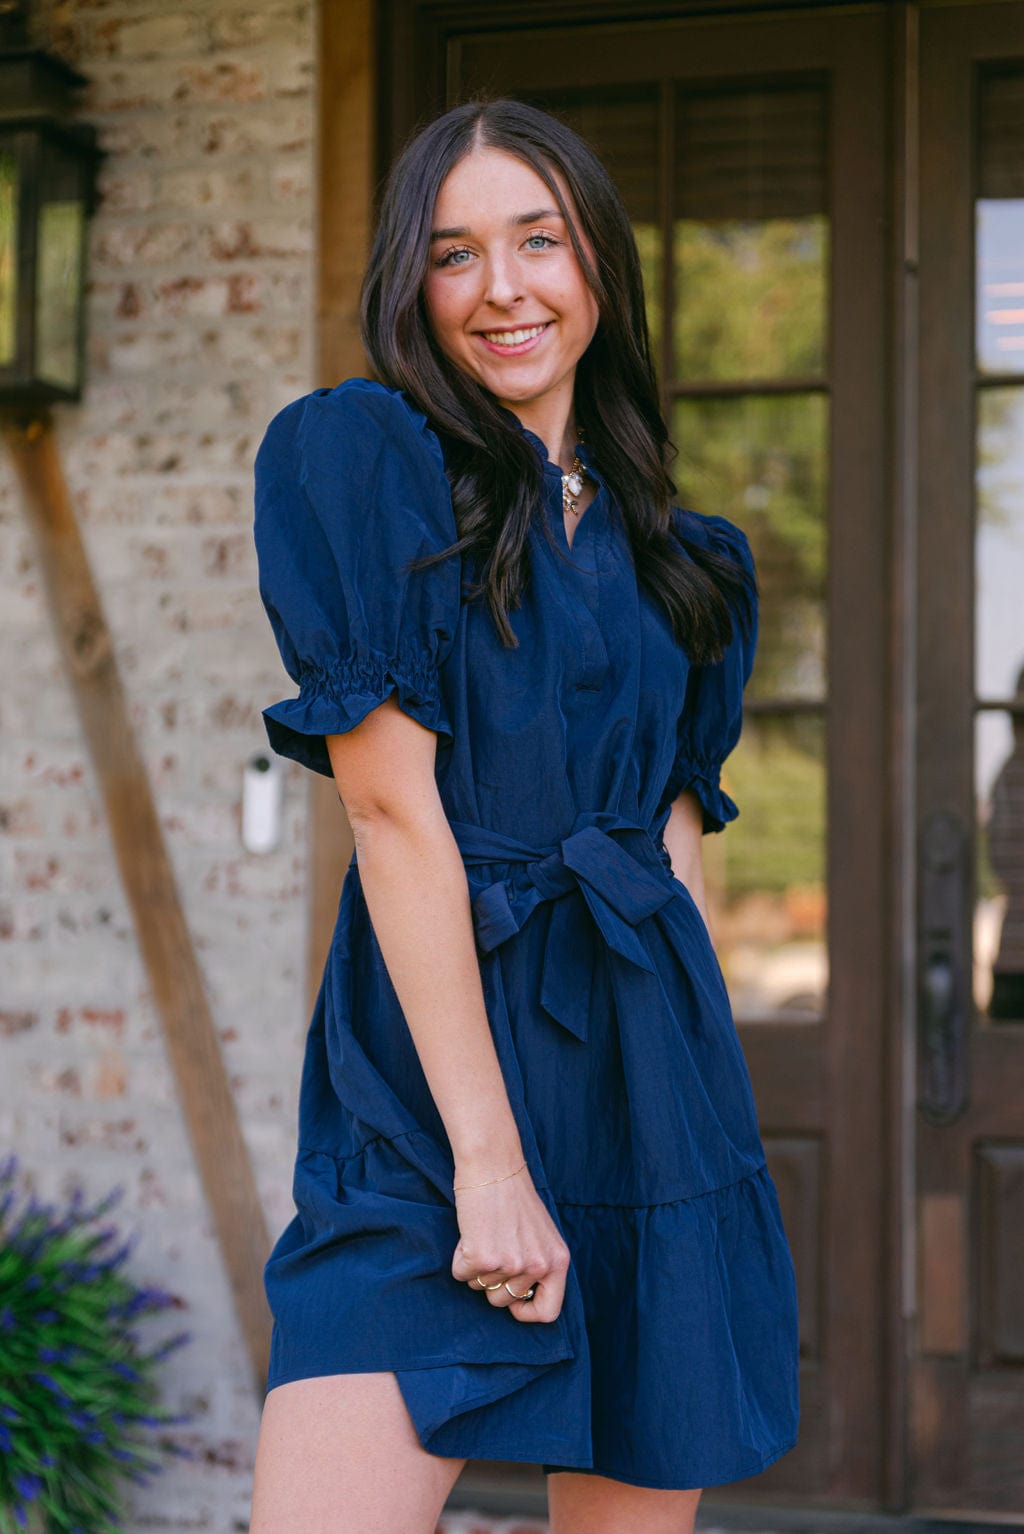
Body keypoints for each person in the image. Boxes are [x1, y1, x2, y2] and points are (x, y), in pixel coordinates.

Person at [248, 97, 799, 1534]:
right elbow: (390, 818)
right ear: (410, 286)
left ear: (597, 265)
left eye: (538, 241)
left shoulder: (693, 566)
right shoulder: (364, 465)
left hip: (641, 1078)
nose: (504, 288)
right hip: (427, 1097)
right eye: (455, 253)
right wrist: (488, 1162)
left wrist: (685, 1118)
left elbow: (670, 857)